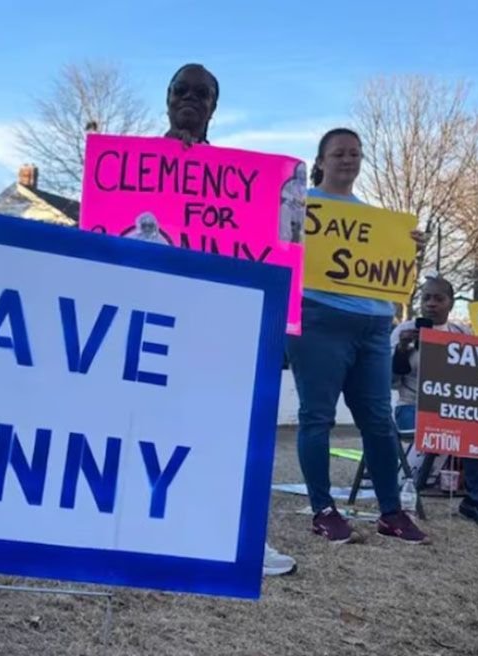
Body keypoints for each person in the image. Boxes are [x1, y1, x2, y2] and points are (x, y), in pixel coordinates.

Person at [163, 63, 295, 575]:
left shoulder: (239, 183)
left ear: (215, 107)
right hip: (149, 324)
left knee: (222, 433)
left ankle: (238, 538)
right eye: (182, 91)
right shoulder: (130, 167)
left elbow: (271, 246)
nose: (191, 99)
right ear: (168, 98)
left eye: (203, 94)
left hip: (210, 327)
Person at [288, 128, 429, 545]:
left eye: (355, 153)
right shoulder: (301, 206)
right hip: (318, 319)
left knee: (379, 422)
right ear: (321, 160)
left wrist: (409, 251)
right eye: (338, 154)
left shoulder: (376, 219)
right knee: (317, 416)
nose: (347, 160)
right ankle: (324, 509)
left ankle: (391, 512)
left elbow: (393, 272)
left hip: (372, 324)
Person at [391, 277, 478, 527]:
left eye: (438, 298)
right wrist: (402, 350)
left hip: (456, 410)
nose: (431, 304)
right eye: (426, 298)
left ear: (451, 303)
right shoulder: (403, 331)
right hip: (412, 408)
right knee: (462, 427)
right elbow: (388, 381)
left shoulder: (462, 334)